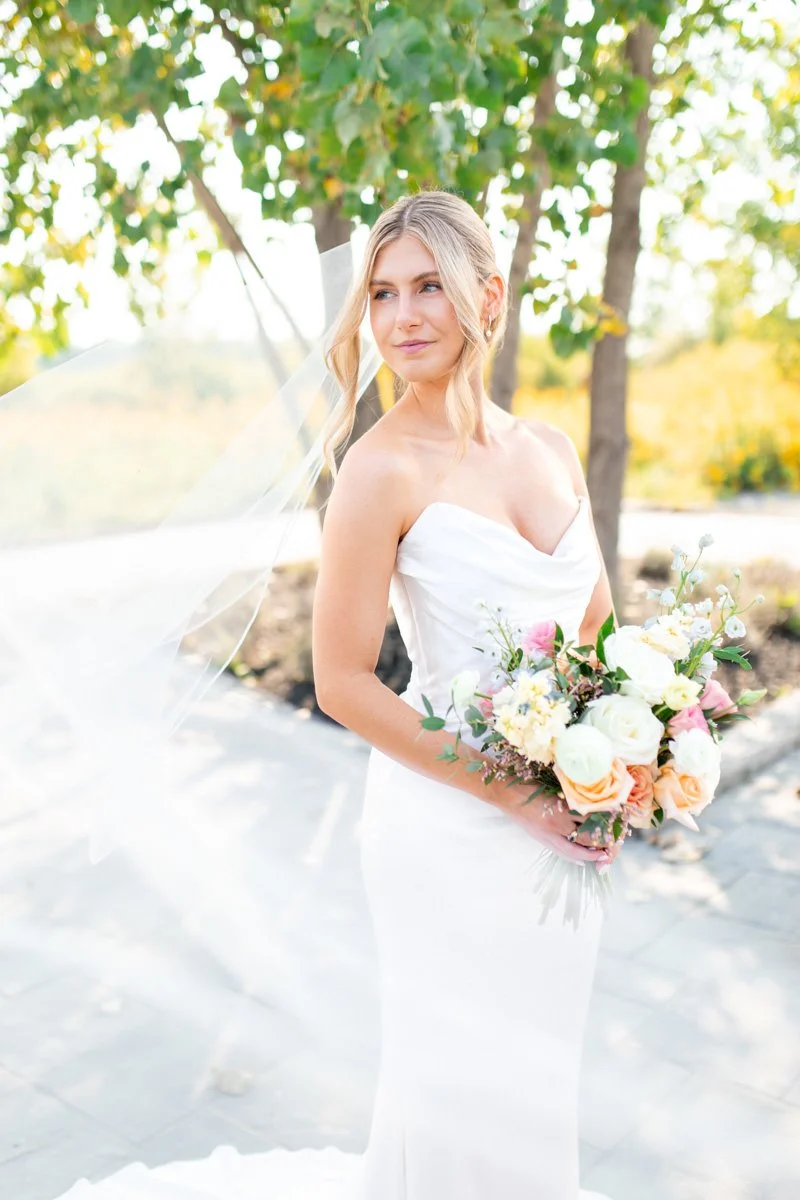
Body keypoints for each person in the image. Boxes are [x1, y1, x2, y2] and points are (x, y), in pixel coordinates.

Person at [57, 190, 617, 1199]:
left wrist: (615, 767)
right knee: (456, 1088)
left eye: (429, 288)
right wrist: (512, 791)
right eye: (382, 292)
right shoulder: (376, 469)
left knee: (537, 1081)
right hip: (447, 825)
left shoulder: (546, 449)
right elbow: (342, 683)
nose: (401, 317)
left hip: (560, 823)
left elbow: (595, 632)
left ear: (485, 295)